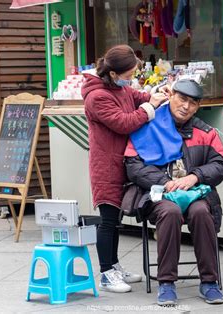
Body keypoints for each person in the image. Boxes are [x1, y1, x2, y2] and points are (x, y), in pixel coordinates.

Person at [124, 79, 223, 305]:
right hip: (157, 195)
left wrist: (196, 176)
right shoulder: (147, 126)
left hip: (195, 195)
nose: (186, 106)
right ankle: (166, 283)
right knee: (170, 212)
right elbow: (133, 166)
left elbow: (221, 163)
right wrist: (164, 181)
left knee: (202, 212)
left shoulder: (205, 132)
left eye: (193, 103)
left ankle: (209, 282)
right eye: (182, 99)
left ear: (198, 107)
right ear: (170, 95)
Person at [81, 45, 168, 293]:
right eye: (128, 75)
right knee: (108, 221)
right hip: (106, 165)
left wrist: (157, 93)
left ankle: (115, 266)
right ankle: (106, 273)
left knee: (116, 219)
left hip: (122, 161)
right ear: (113, 73)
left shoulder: (117, 87)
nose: (130, 80)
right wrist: (148, 108)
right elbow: (124, 122)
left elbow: (136, 98)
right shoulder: (97, 97)